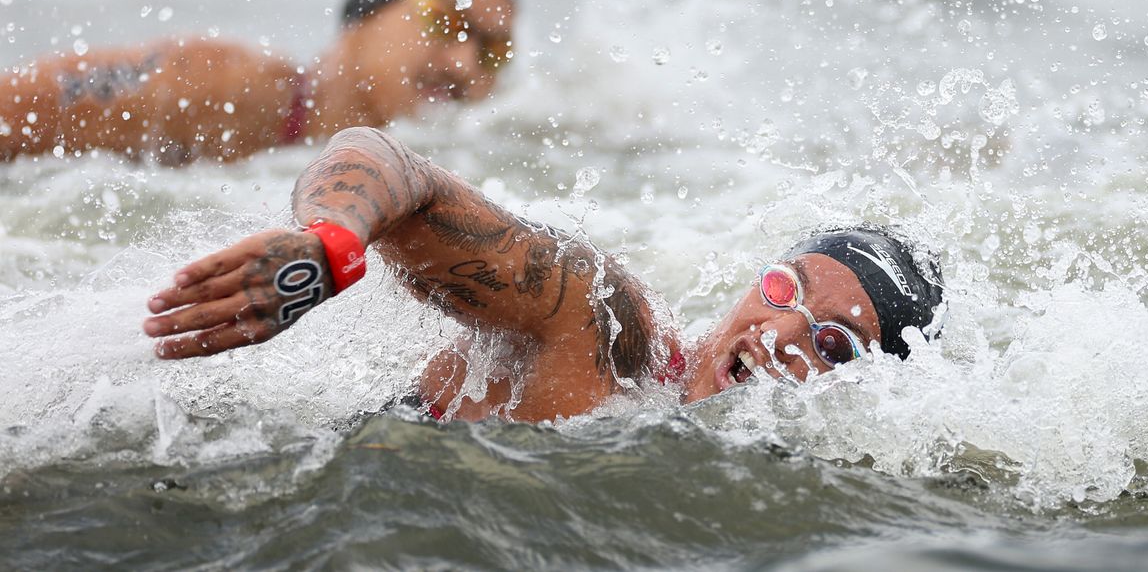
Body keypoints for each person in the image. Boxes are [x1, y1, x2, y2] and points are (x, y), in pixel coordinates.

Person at [142, 127, 946, 422]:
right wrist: (327, 244)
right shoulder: (608, 330)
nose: (777, 333)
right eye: (785, 288)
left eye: (835, 346)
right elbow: (393, 164)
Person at [0, 0, 515, 165]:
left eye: (493, 51)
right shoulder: (222, 88)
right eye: (447, 22)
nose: (466, 68)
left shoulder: (463, 174)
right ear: (373, 4)